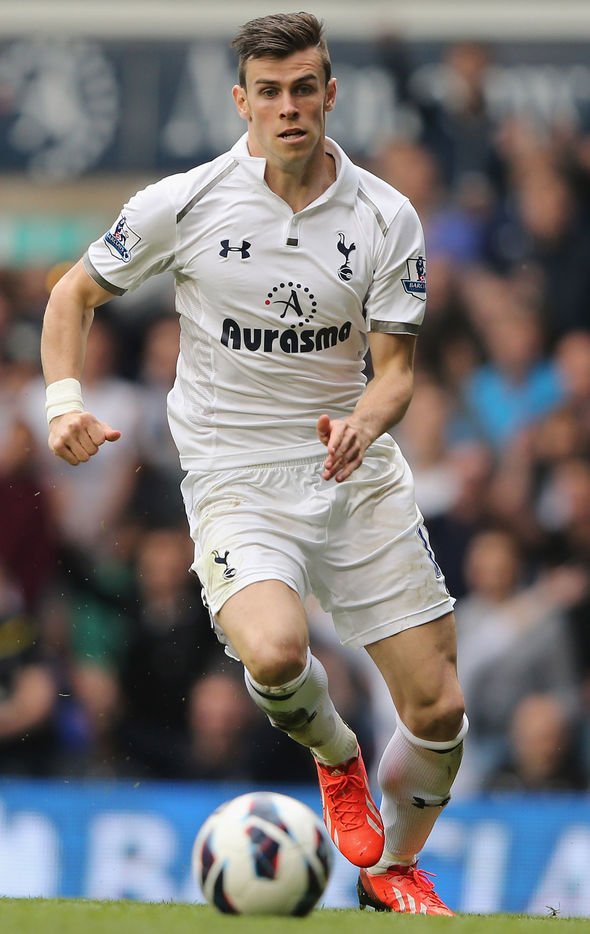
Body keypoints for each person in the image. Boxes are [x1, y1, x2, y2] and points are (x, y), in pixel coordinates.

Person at [40, 12, 467, 915]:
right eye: (269, 91)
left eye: (304, 87)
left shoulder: (387, 216)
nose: (288, 106)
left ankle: (392, 865)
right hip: (237, 480)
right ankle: (336, 756)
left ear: (329, 94)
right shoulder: (184, 203)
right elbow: (72, 293)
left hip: (351, 473)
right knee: (275, 652)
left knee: (437, 714)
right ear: (242, 101)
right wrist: (65, 401)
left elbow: (395, 376)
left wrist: (362, 419)